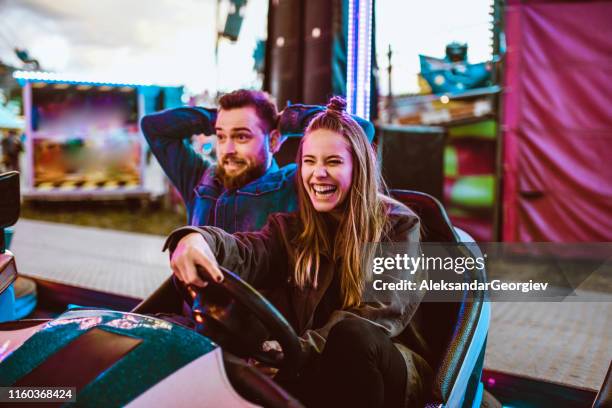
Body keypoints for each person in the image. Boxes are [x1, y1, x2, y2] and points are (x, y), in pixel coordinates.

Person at [164, 97, 432, 407]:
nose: (318, 173)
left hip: (388, 368)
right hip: (310, 362)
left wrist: (294, 350)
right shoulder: (291, 228)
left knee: (351, 337)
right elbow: (246, 252)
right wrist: (196, 239)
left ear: (357, 166)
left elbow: (378, 315)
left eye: (333, 161)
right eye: (309, 161)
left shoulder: (398, 226)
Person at [141, 90, 297, 232]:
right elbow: (153, 127)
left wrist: (292, 120)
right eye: (221, 136)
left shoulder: (289, 187)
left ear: (273, 141)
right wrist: (221, 118)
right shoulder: (200, 178)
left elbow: (321, 121)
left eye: (241, 136)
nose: (227, 149)